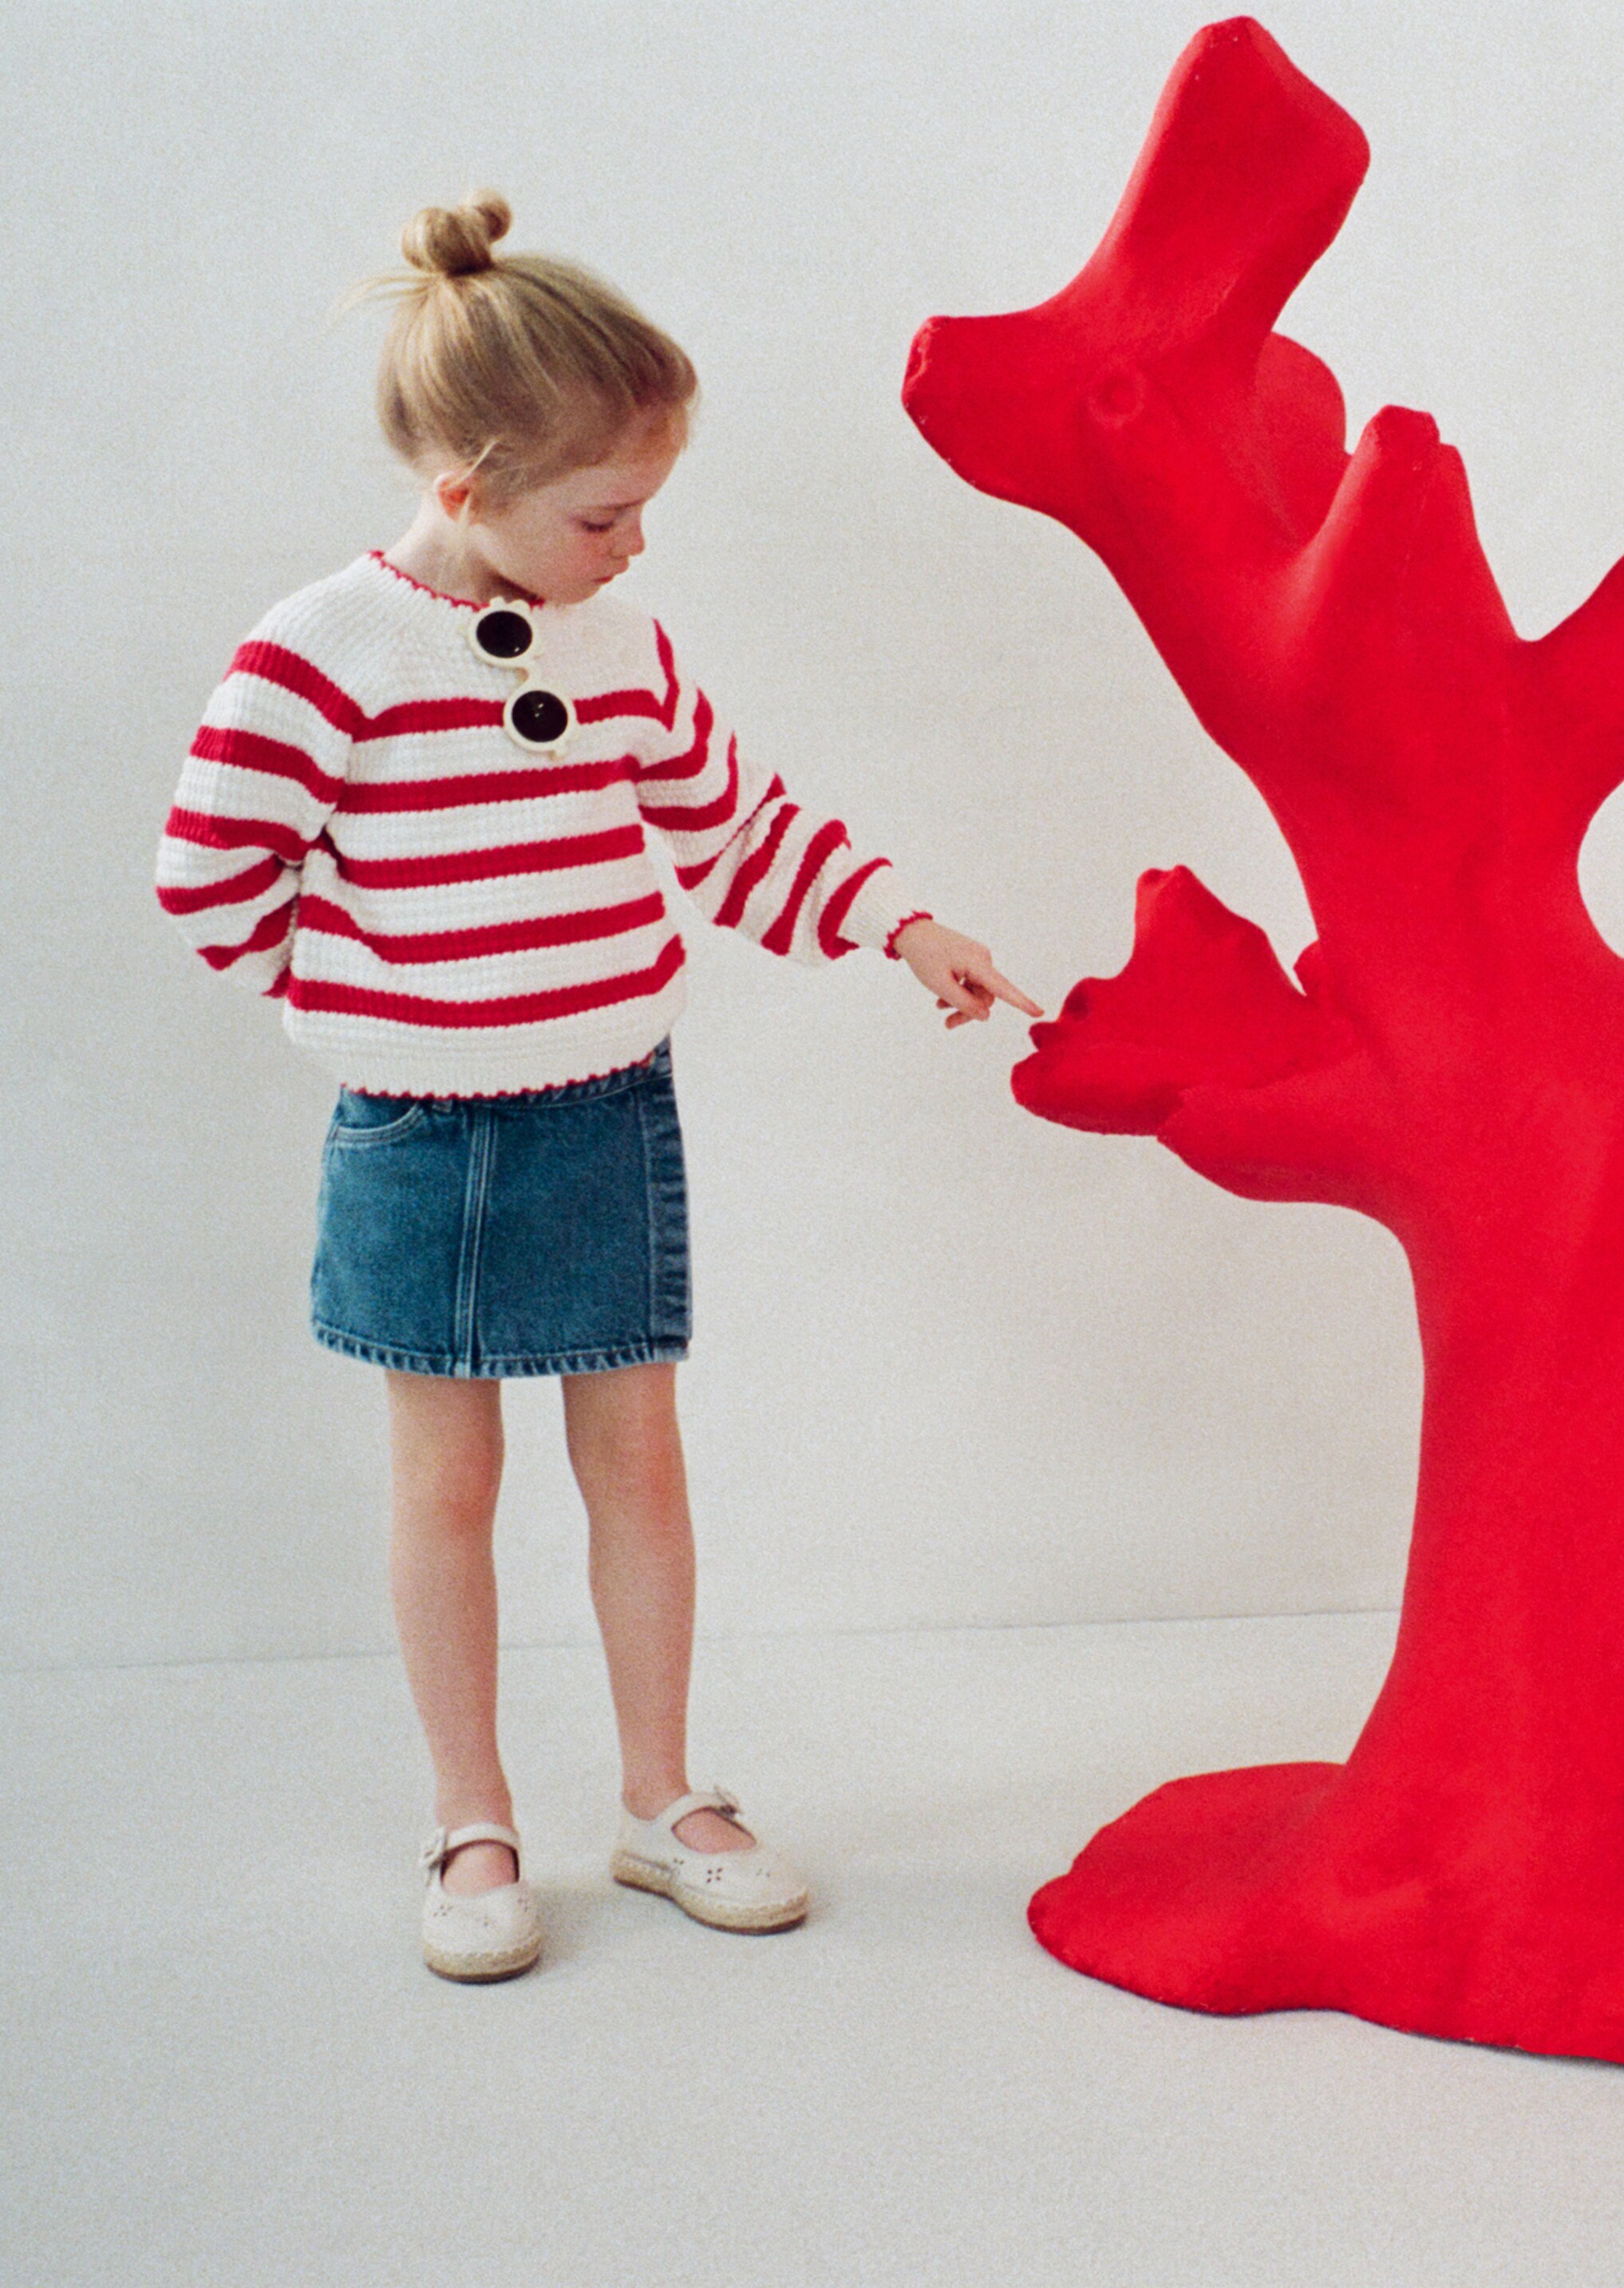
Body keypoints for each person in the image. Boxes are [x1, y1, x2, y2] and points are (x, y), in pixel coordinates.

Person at [156, 192, 1041, 1982]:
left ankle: (661, 1798)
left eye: (646, 509)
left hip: (603, 1107)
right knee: (446, 1484)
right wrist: (365, 1011)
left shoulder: (619, 652)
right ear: (470, 491)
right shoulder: (319, 653)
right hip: (414, 1132)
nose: (637, 547)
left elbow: (734, 824)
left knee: (637, 1460)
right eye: (606, 514)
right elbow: (210, 881)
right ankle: (470, 1820)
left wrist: (897, 924)